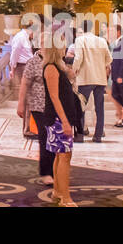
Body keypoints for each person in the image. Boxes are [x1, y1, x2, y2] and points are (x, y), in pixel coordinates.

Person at [42, 43, 81, 206]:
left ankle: (58, 193)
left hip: (61, 117)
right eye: (62, 45)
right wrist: (64, 121)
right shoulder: (50, 67)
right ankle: (65, 197)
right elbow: (54, 97)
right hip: (57, 118)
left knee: (62, 155)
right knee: (64, 156)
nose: (65, 48)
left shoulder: (58, 67)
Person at [18, 35, 55, 186]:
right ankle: (46, 172)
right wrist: (21, 103)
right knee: (45, 137)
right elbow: (25, 83)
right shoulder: (33, 62)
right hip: (38, 106)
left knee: (54, 138)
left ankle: (55, 169)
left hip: (55, 105)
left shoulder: (55, 60)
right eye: (42, 43)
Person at [72, 19, 111, 141]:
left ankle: (79, 135)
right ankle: (98, 135)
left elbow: (78, 58)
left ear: (81, 30)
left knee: (81, 107)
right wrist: (99, 65)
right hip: (100, 78)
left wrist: (74, 70)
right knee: (99, 108)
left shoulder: (80, 40)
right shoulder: (102, 41)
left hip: (86, 77)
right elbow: (109, 59)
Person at [8, 20, 35, 92]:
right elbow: (14, 54)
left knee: (31, 90)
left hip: (30, 65)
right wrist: (12, 69)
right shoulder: (20, 37)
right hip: (22, 67)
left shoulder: (28, 37)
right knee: (26, 90)